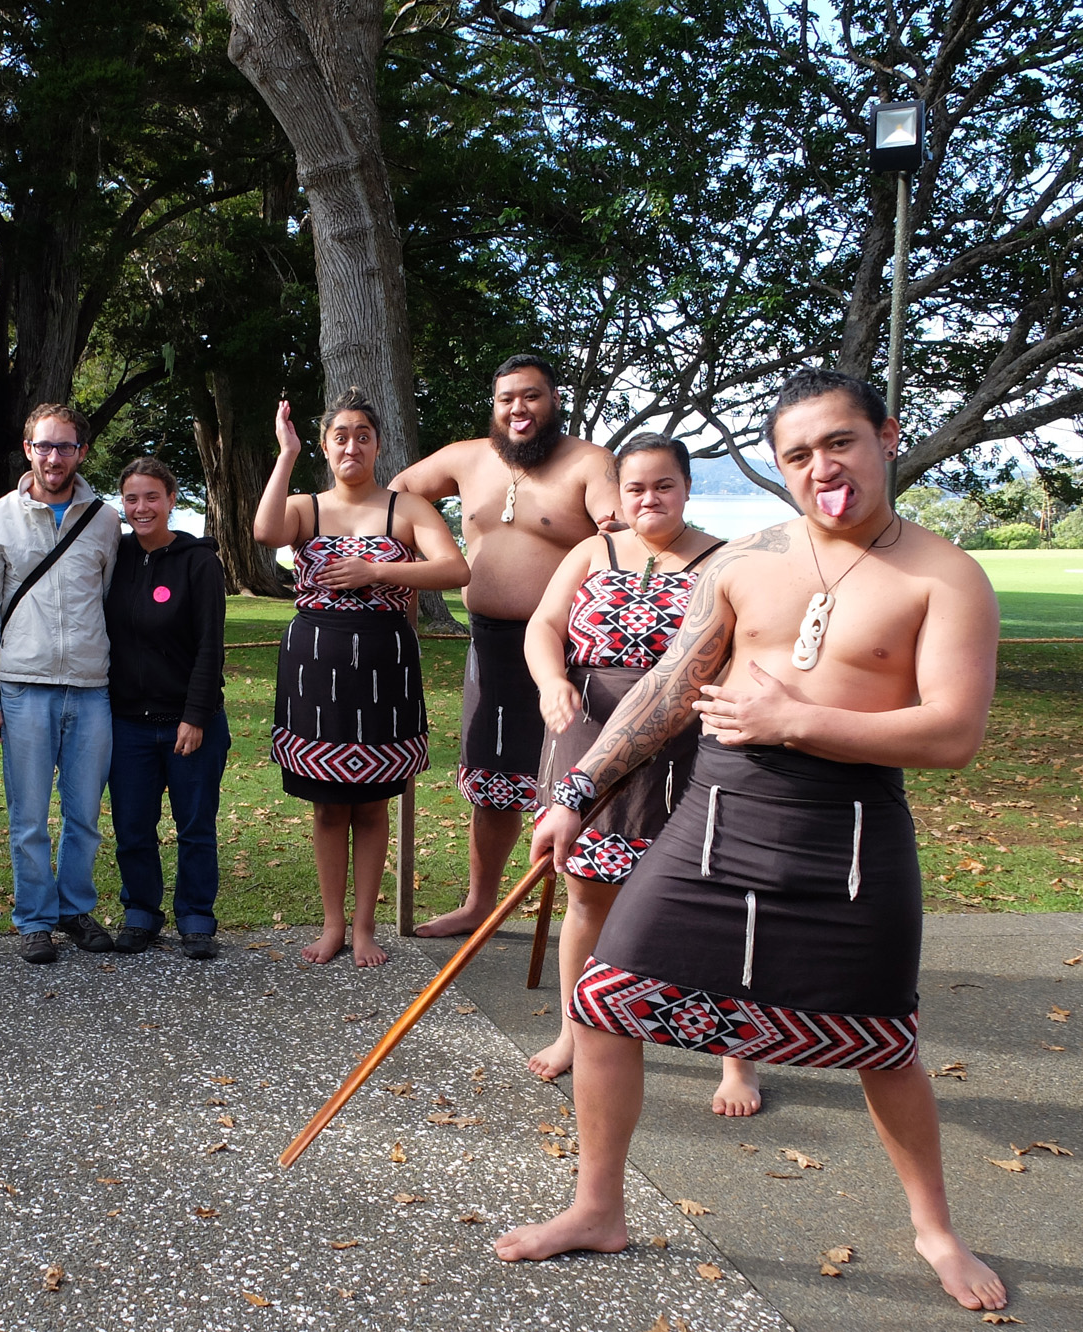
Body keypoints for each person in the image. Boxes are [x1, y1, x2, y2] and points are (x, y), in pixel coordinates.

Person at [496, 369, 1008, 1316]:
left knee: (883, 1043)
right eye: (799, 455)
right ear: (780, 469)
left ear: (887, 437)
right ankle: (596, 1205)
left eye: (840, 443)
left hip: (851, 837)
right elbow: (664, 692)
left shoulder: (946, 576)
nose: (824, 468)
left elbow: (951, 734)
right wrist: (577, 790)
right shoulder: (744, 563)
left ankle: (935, 1230)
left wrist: (792, 717)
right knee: (606, 1002)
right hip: (713, 817)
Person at [521, 433, 759, 1114]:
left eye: (663, 486)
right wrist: (548, 682)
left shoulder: (725, 559)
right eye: (635, 488)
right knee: (587, 896)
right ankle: (575, 1033)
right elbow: (543, 625)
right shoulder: (591, 552)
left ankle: (735, 1061)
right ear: (617, 495)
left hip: (690, 752)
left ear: (686, 489)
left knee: (708, 905)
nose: (649, 499)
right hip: (585, 737)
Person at [391, 354, 619, 938]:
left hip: (571, 652)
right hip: (490, 644)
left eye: (533, 397)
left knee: (573, 782)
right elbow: (397, 495)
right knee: (493, 782)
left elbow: (619, 533)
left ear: (555, 401)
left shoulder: (588, 463)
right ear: (494, 406)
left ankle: (588, 918)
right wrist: (413, 559)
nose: (519, 409)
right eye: (507, 399)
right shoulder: (466, 459)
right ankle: (480, 904)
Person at [254, 390, 469, 966]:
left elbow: (455, 567)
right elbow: (266, 531)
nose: (352, 445)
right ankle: (332, 925)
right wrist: (285, 453)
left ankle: (367, 927)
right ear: (326, 446)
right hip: (315, 657)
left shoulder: (408, 508)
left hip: (383, 656)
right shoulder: (308, 506)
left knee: (374, 802)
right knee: (327, 804)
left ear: (378, 444)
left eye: (363, 435)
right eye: (340, 435)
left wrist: (377, 568)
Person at [0, 403, 123, 964]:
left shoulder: (105, 519)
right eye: (43, 446)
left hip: (89, 686)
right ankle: (34, 917)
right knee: (28, 815)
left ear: (82, 452)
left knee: (84, 814)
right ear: (28, 449)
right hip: (22, 686)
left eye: (65, 447)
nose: (54, 458)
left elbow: (107, 603)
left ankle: (74, 907)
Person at [104, 457, 229, 960]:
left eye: (151, 496)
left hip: (189, 722)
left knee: (195, 825)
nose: (141, 507)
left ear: (172, 499)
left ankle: (196, 918)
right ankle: (141, 913)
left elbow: (209, 646)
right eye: (131, 498)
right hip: (127, 722)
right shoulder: (115, 555)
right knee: (133, 826)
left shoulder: (199, 562)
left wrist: (194, 716)